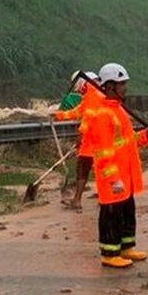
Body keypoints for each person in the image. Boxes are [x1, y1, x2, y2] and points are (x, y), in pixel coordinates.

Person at [79, 62, 148, 268]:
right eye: (122, 84)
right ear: (110, 86)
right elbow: (104, 153)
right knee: (111, 215)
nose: (126, 87)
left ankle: (126, 247)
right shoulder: (103, 115)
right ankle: (109, 252)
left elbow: (128, 141)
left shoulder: (119, 111)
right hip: (112, 178)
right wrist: (113, 179)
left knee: (126, 212)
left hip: (126, 174)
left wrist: (146, 136)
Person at [53, 71, 103, 209]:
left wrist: (81, 136)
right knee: (95, 169)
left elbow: (89, 119)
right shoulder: (94, 96)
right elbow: (77, 112)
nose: (79, 91)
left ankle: (87, 199)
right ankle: (93, 197)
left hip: (94, 141)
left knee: (85, 169)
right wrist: (58, 115)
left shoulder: (93, 96)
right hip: (96, 141)